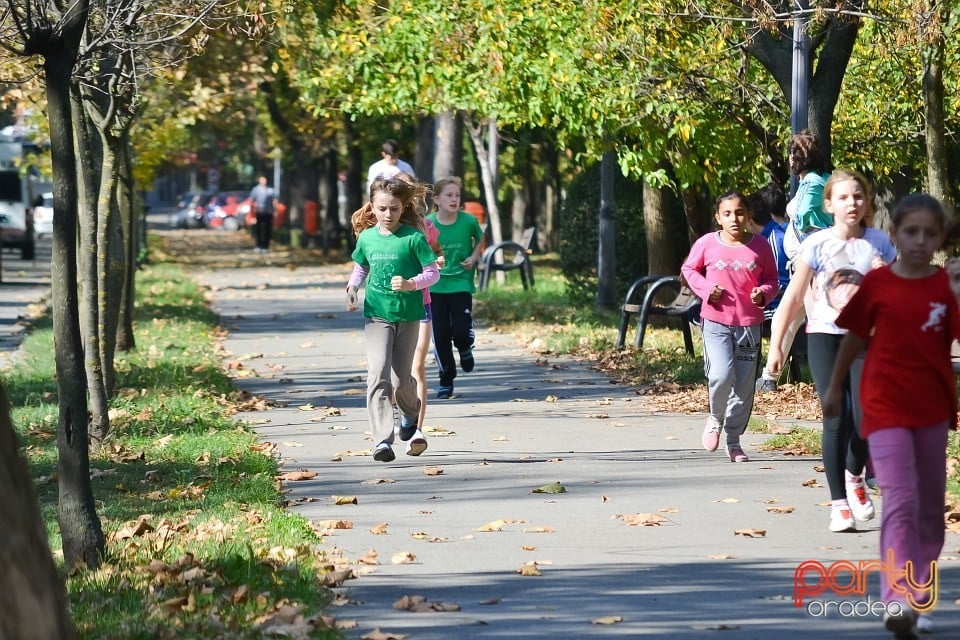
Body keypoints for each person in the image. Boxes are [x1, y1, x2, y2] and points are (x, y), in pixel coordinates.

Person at [822, 194, 959, 638]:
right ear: (894, 234)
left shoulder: (945, 287)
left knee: (930, 515)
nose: (920, 241)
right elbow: (853, 338)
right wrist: (835, 388)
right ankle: (896, 599)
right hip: (884, 407)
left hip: (933, 409)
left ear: (940, 239)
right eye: (911, 232)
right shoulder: (879, 286)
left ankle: (921, 596)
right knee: (899, 501)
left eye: (930, 233)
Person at [766, 169, 897, 533]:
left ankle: (855, 474)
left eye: (858, 196)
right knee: (835, 416)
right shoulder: (817, 244)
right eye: (843, 197)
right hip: (825, 337)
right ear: (829, 205)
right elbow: (793, 297)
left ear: (866, 202)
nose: (852, 203)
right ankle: (838, 503)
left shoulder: (879, 243)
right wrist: (776, 345)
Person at [345, 175, 440, 461]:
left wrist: (413, 284)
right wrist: (352, 288)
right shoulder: (367, 238)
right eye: (382, 208)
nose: (387, 214)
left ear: (403, 208)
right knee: (377, 375)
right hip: (377, 315)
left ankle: (411, 414)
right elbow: (360, 267)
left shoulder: (413, 238)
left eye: (394, 209)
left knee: (401, 381)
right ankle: (382, 441)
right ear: (372, 207)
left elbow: (433, 273)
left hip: (409, 315)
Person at [681, 191, 779, 462]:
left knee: (745, 387)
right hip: (715, 322)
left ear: (747, 216)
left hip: (749, 326)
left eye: (739, 213)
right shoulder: (707, 243)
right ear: (718, 217)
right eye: (727, 213)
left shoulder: (760, 246)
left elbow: (773, 279)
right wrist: (705, 288)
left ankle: (734, 441)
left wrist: (763, 293)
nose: (734, 218)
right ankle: (715, 417)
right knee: (721, 375)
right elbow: (689, 270)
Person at [756, 130, 832, 392]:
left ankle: (828, 381)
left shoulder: (813, 183)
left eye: (793, 153)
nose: (789, 158)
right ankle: (769, 377)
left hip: (811, 264)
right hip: (803, 264)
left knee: (818, 321)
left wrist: (797, 221)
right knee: (784, 320)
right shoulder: (815, 181)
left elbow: (805, 214)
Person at [428, 176, 484, 399]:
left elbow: (479, 239)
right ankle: (446, 380)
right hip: (435, 286)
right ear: (437, 199)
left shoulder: (469, 221)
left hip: (461, 282)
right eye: (449, 195)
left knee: (461, 330)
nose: (454, 199)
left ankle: (464, 347)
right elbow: (420, 248)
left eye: (457, 195)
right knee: (440, 336)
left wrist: (473, 256)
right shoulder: (428, 223)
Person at [248, 175, 275, 253]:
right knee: (258, 229)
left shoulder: (270, 190)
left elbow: (274, 201)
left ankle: (266, 246)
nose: (264, 182)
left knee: (268, 229)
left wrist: (275, 211)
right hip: (258, 212)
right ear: (259, 181)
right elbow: (251, 200)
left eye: (265, 180)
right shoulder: (255, 190)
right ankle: (258, 245)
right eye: (262, 180)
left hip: (268, 212)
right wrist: (252, 213)